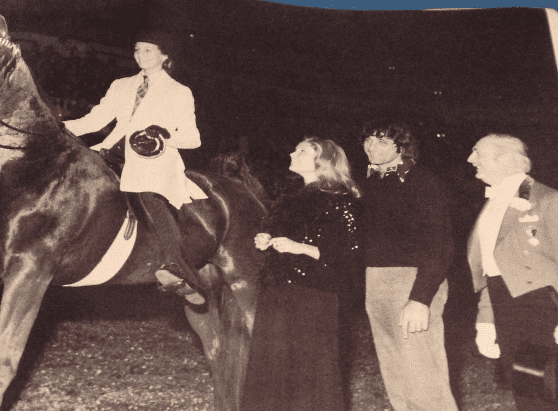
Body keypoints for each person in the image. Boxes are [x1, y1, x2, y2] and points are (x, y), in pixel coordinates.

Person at [63, 29, 207, 304]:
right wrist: (59, 127)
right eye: (137, 50)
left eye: (148, 50)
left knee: (145, 194)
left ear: (165, 56)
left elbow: (193, 138)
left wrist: (165, 135)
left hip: (153, 160)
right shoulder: (122, 85)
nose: (141, 55)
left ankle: (178, 268)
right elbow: (95, 120)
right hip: (110, 151)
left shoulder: (179, 91)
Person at [240, 137, 362, 411]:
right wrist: (266, 239)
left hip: (313, 295)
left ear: (323, 161)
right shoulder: (289, 199)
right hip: (278, 292)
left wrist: (301, 248)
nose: (292, 152)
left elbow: (350, 255)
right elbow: (280, 238)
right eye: (295, 148)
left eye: (302, 151)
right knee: (273, 368)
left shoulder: (341, 200)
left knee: (310, 370)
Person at [361, 122, 458, 411]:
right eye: (367, 140)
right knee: (395, 372)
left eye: (380, 141)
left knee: (423, 374)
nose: (370, 146)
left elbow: (440, 242)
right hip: (375, 281)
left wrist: (420, 298)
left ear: (400, 146)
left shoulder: (421, 180)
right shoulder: (368, 184)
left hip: (412, 282)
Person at [467, 134, 558, 411]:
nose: (471, 160)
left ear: (505, 158)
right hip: (505, 303)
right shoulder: (492, 202)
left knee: (548, 388)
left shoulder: (548, 200)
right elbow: (492, 268)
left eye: (477, 153)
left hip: (541, 305)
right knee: (527, 388)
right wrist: (486, 319)